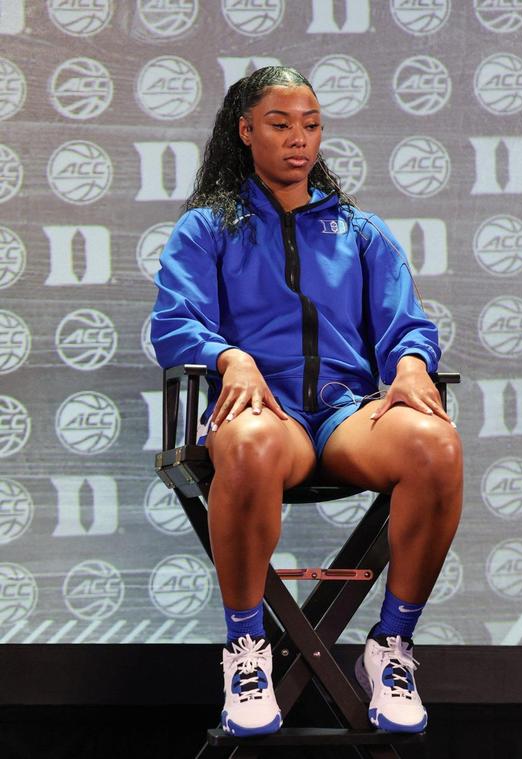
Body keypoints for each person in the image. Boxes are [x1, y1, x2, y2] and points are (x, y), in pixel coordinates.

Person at [151, 66, 463, 737]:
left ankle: (391, 647)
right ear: (244, 130)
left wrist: (411, 363)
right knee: (252, 440)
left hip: (348, 415)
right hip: (269, 417)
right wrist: (229, 355)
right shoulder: (208, 227)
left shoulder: (360, 231)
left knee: (436, 443)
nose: (300, 139)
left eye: (312, 124)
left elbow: (406, 323)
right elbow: (174, 323)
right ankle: (246, 651)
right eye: (280, 123)